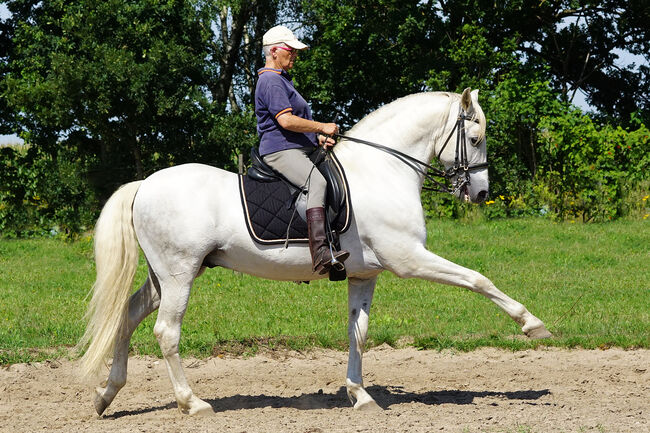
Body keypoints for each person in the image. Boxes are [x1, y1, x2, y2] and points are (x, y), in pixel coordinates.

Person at [255, 25, 349, 275]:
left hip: (297, 146)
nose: (294, 55)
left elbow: (293, 122)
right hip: (279, 150)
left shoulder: (283, 79)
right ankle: (319, 254)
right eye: (290, 50)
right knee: (317, 184)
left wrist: (316, 138)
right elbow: (285, 121)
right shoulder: (270, 80)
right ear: (274, 51)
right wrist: (322, 126)